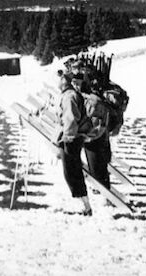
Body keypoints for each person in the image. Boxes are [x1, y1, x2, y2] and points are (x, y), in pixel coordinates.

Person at [55, 73, 93, 216]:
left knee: (72, 172)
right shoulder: (69, 94)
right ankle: (84, 204)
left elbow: (70, 118)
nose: (58, 81)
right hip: (73, 137)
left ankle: (84, 206)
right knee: (72, 171)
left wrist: (68, 138)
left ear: (66, 82)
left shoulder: (69, 96)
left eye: (61, 79)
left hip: (72, 138)